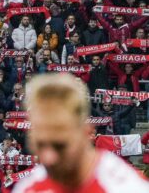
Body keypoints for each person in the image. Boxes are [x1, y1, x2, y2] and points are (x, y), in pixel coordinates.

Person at [13, 74, 148, 192]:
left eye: (60, 146)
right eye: (40, 145)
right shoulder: (29, 187)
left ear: (87, 131)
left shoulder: (126, 187)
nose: (48, 157)